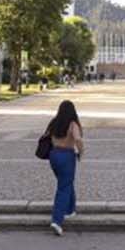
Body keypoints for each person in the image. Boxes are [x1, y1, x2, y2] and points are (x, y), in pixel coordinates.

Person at [46, 99, 83, 235]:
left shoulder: (54, 122)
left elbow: (49, 138)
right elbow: (78, 139)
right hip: (67, 155)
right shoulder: (73, 124)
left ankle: (70, 210)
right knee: (64, 187)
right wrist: (81, 152)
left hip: (54, 155)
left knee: (66, 182)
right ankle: (57, 220)